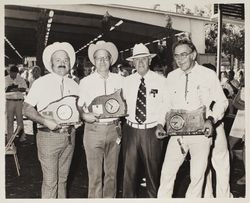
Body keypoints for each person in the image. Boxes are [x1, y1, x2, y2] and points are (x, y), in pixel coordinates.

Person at [156, 39, 228, 198]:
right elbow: (165, 104)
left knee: (197, 177)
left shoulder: (207, 75)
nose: (180, 59)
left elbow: (221, 101)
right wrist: (160, 124)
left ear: (193, 54)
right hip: (177, 134)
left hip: (201, 134)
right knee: (167, 173)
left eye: (184, 55)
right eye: (176, 56)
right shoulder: (172, 76)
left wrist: (211, 119)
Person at [22, 42, 79, 198]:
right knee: (50, 182)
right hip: (48, 137)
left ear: (70, 63)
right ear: (51, 63)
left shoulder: (74, 84)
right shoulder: (41, 83)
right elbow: (26, 109)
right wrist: (45, 121)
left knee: (63, 181)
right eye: (58, 60)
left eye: (65, 60)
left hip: (69, 137)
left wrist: (79, 119)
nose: (62, 63)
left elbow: (78, 110)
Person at [78, 40, 123, 198]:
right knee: (95, 175)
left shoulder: (120, 80)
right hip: (93, 130)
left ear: (111, 60)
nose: (102, 61)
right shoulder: (85, 82)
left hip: (114, 129)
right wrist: (84, 115)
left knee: (112, 174)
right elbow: (79, 105)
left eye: (106, 58)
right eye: (99, 58)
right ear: (94, 61)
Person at [122, 43, 167, 198]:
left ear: (149, 60)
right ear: (132, 62)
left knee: (153, 174)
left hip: (152, 131)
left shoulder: (161, 81)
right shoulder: (126, 82)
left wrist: (161, 124)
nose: (140, 63)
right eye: (137, 60)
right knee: (129, 175)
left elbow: (165, 106)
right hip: (131, 130)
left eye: (144, 59)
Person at [202, 64, 231, 198]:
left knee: (217, 167)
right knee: (210, 167)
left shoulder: (217, 92)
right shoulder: (210, 92)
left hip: (215, 130)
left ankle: (218, 197)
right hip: (209, 131)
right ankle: (215, 197)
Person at [5, 65, 27, 142]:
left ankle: (22, 137)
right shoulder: (5, 79)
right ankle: (10, 138)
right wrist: (8, 89)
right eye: (12, 73)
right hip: (9, 101)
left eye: (15, 73)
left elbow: (25, 88)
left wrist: (17, 89)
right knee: (9, 120)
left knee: (20, 120)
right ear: (9, 72)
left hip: (19, 101)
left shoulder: (20, 79)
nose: (14, 74)